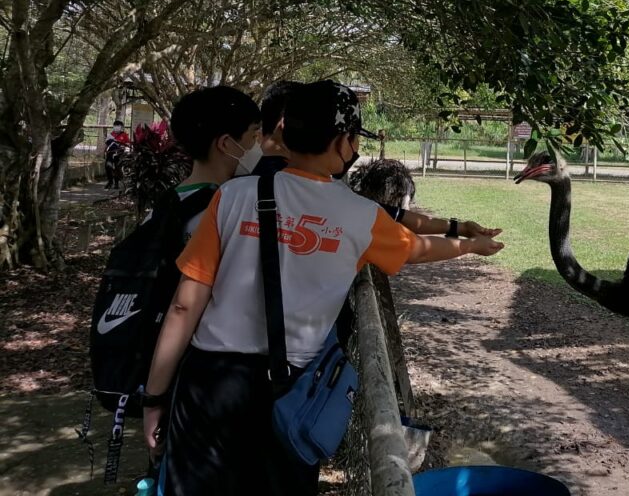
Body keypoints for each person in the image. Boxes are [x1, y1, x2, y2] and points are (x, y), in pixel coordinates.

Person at [142, 80, 505, 495]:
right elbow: (418, 250)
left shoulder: (231, 197)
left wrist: (154, 400)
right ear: (343, 143)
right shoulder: (359, 215)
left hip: (209, 383)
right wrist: (471, 246)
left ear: (285, 131)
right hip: (292, 391)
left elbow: (184, 308)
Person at [253, 80, 498, 242]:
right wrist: (468, 243)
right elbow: (408, 244)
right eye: (353, 138)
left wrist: (460, 228)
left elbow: (391, 215)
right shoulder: (332, 201)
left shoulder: (235, 190)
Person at [169, 86, 263, 231]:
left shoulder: (164, 207)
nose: (259, 144)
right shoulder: (233, 212)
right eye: (254, 135)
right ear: (225, 143)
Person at [104, 120, 130, 189]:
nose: (116, 127)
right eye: (115, 126)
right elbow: (107, 144)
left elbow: (128, 144)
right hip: (110, 153)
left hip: (119, 153)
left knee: (117, 168)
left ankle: (116, 183)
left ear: (121, 127)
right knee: (108, 166)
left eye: (118, 126)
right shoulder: (111, 134)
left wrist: (123, 147)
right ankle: (110, 181)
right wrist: (105, 151)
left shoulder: (124, 135)